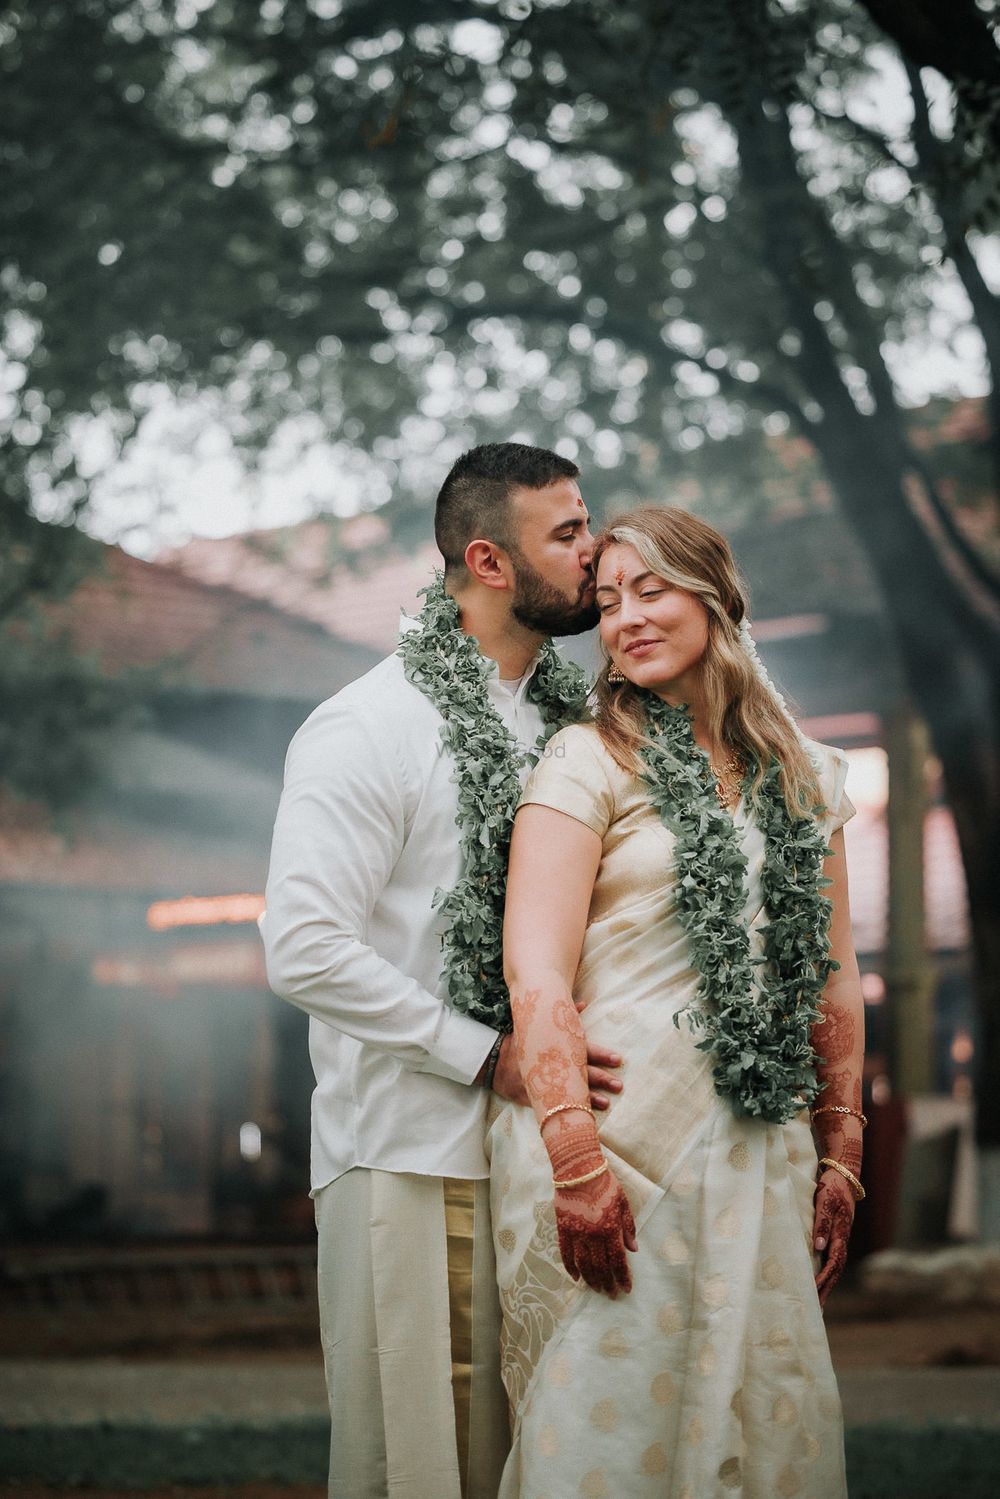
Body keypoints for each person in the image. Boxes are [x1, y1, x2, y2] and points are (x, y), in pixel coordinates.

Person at [260, 442, 625, 1499]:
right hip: (415, 1155)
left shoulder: (583, 726)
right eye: (566, 531)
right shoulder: (366, 726)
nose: (593, 548)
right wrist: (484, 1055)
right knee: (423, 1467)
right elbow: (303, 943)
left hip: (553, 1165)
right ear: (489, 558)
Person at [489, 506, 864, 1499]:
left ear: (715, 597)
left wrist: (842, 1148)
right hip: (616, 1149)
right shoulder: (585, 761)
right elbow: (535, 972)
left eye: (650, 588)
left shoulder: (807, 777)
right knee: (610, 1423)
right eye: (608, 600)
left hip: (758, 1143)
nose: (626, 618)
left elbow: (832, 971)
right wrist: (573, 1160)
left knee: (763, 1409)